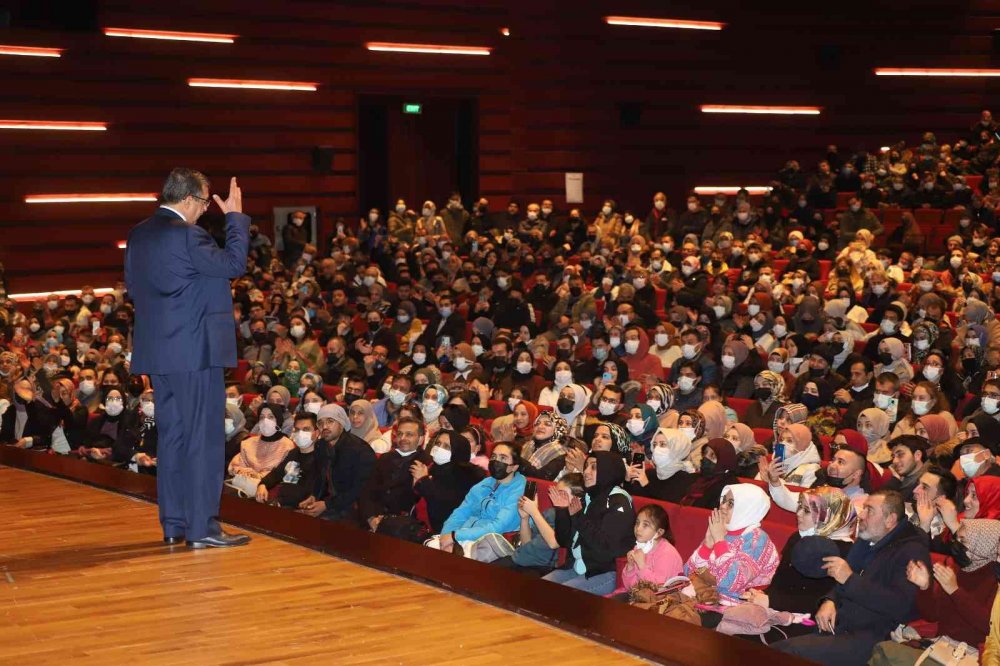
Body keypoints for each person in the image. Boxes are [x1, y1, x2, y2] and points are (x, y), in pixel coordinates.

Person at [125, 169, 251, 548]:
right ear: (188, 199)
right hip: (195, 353)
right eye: (202, 202)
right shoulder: (188, 234)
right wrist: (235, 218)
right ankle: (201, 529)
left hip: (158, 354)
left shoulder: (139, 234)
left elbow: (135, 287)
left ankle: (175, 524)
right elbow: (233, 265)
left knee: (174, 438)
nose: (202, 211)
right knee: (203, 438)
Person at [775, 489, 931, 666]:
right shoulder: (868, 538)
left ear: (890, 520)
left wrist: (850, 579)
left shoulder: (911, 551)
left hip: (874, 636)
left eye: (869, 510)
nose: (861, 515)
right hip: (842, 624)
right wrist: (830, 601)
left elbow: (901, 606)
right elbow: (843, 581)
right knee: (778, 646)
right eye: (863, 508)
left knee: (786, 652)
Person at [743, 487, 857, 618]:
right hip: (778, 608)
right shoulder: (798, 537)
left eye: (807, 511)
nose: (798, 513)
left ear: (827, 516)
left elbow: (824, 601)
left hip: (808, 619)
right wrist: (762, 595)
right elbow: (779, 583)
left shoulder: (843, 550)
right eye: (800, 507)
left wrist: (772, 601)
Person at [544, 451, 636, 595]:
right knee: (537, 589)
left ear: (608, 471)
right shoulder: (588, 496)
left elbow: (606, 549)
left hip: (604, 573)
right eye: (586, 466)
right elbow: (563, 541)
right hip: (577, 567)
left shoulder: (619, 502)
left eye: (593, 467)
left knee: (556, 597)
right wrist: (562, 511)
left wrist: (579, 518)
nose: (586, 471)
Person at [684, 483, 780, 600]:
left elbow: (730, 583)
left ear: (747, 508)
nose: (723, 506)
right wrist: (707, 546)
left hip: (737, 606)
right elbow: (688, 571)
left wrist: (719, 541)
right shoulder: (722, 528)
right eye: (723, 501)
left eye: (731, 504)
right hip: (705, 596)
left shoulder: (757, 540)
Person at [435, 442, 526, 553]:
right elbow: (461, 512)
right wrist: (446, 535)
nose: (496, 461)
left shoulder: (519, 489)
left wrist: (455, 536)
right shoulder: (485, 483)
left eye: (503, 458)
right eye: (493, 456)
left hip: (493, 543)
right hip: (463, 536)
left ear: (514, 467)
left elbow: (497, 528)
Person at [495, 473, 586, 577]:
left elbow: (554, 542)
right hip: (518, 558)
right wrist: (525, 518)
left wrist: (534, 512)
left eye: (560, 493)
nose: (554, 497)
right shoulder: (550, 512)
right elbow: (526, 543)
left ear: (577, 498)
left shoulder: (574, 520)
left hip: (540, 568)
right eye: (554, 493)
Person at [298, 404, 376, 521]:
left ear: (341, 423)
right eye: (320, 423)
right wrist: (314, 496)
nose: (324, 426)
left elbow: (360, 489)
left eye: (330, 421)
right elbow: (320, 477)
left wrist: (326, 505)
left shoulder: (360, 450)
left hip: (354, 506)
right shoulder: (321, 445)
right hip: (330, 502)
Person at [358, 416, 432, 532]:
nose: (403, 438)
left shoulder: (427, 463)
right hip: (374, 518)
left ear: (421, 439)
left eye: (409, 435)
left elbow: (419, 502)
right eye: (400, 434)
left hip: (404, 524)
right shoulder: (384, 458)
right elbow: (367, 491)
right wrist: (371, 518)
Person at [411, 430, 486, 533]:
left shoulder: (467, 477)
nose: (439, 448)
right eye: (438, 443)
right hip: (424, 526)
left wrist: (424, 481)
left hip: (449, 532)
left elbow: (444, 508)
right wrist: (417, 483)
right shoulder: (432, 468)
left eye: (446, 446)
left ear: (457, 450)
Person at [610, 504, 684, 596]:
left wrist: (642, 565)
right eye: (637, 523)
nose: (638, 528)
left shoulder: (667, 553)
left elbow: (658, 590)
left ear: (659, 532)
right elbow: (630, 587)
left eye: (645, 525)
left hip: (660, 602)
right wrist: (630, 567)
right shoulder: (640, 547)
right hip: (639, 596)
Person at [254, 412, 322, 508]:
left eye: (306, 429)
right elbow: (277, 474)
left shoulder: (321, 458)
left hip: (300, 509)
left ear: (317, 433)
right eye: (297, 430)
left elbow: (307, 492)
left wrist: (280, 503)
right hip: (280, 504)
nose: (300, 433)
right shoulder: (294, 453)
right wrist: (263, 484)